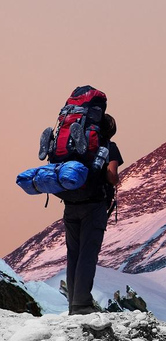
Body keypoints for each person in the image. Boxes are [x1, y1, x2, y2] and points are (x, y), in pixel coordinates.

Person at [63, 113, 124, 315]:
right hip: (94, 206)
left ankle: (73, 303)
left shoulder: (75, 147)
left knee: (73, 254)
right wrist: (114, 181)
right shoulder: (109, 147)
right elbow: (112, 175)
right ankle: (81, 305)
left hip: (71, 204)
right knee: (87, 255)